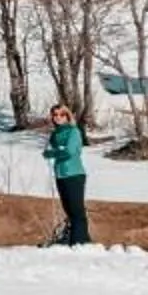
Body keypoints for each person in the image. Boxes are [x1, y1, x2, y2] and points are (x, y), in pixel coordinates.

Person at [44, 104, 89, 246]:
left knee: (77, 211)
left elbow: (69, 151)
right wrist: (55, 151)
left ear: (67, 116)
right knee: (69, 211)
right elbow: (47, 151)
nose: (57, 117)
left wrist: (54, 152)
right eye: (55, 115)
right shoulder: (55, 134)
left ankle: (78, 244)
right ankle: (84, 241)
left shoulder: (73, 132)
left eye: (61, 114)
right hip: (60, 174)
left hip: (74, 174)